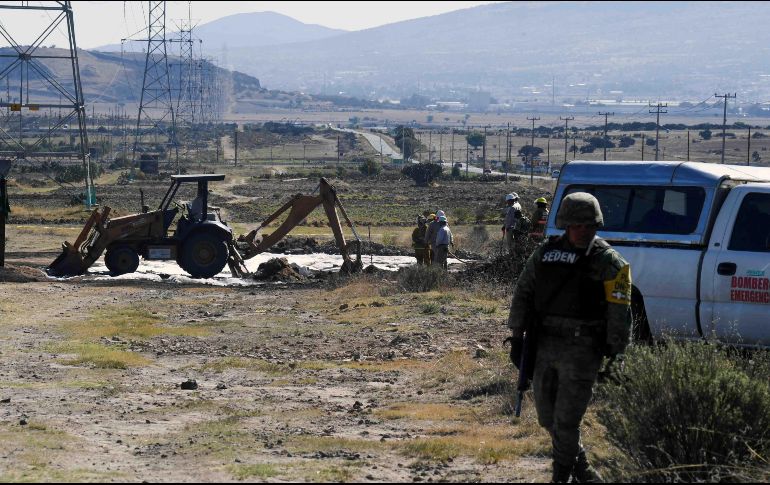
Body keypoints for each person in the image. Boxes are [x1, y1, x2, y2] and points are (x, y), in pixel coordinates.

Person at [507, 192, 632, 483]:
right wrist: (516, 337)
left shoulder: (611, 262)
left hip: (583, 349)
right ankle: (585, 472)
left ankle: (560, 476)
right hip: (544, 345)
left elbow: (620, 311)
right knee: (547, 419)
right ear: (565, 225)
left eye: (588, 225)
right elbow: (523, 292)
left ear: (596, 225)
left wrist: (616, 354)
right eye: (576, 225)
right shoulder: (544, 254)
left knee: (567, 421)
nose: (582, 231)